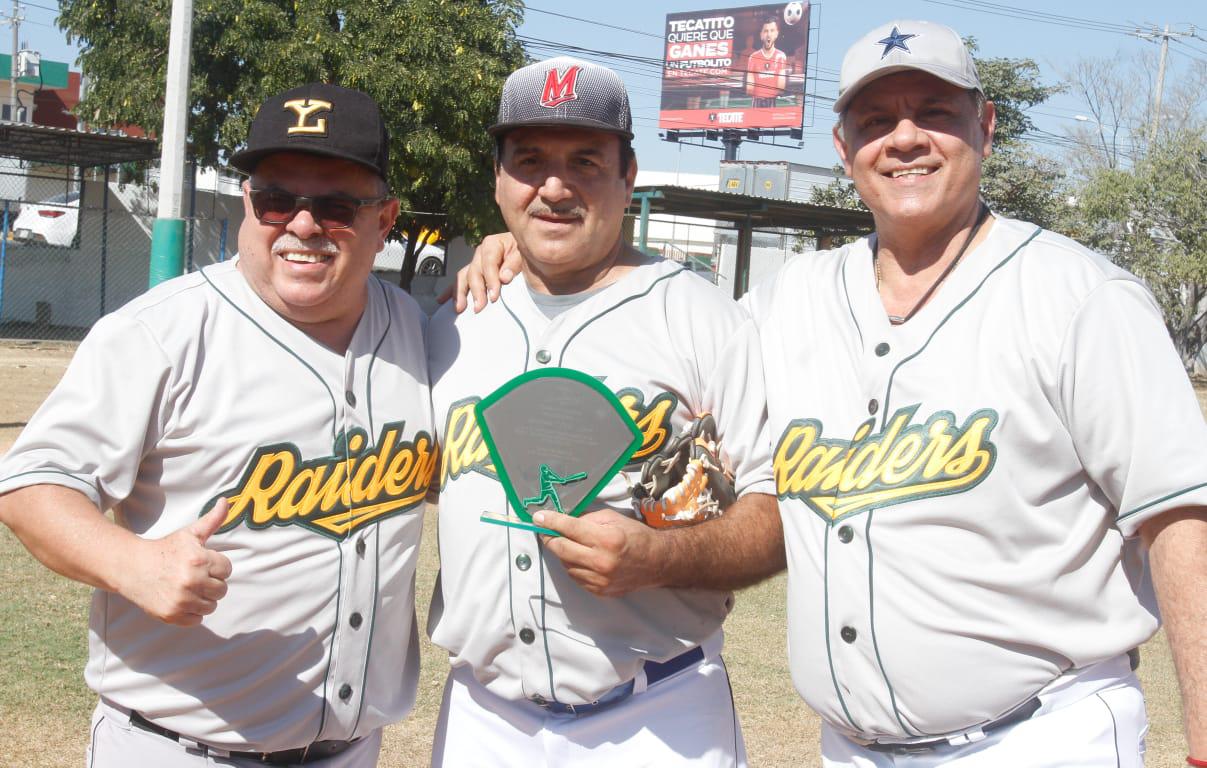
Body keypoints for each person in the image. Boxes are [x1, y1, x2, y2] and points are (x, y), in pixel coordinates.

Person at [453, 20, 1207, 768]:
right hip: (851, 749)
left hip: (1041, 734)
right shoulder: (791, 300)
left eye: (934, 113)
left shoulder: (1080, 298)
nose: (904, 139)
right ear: (844, 149)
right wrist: (526, 245)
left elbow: (1181, 517)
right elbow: (644, 313)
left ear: (985, 127)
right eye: (875, 121)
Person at [0, 83, 435, 767]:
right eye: (275, 199)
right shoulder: (163, 332)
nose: (302, 225)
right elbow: (31, 484)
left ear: (385, 220)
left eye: (335, 206)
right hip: (174, 749)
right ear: (247, 204)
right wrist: (131, 564)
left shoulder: (419, 332)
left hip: (353, 751)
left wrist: (506, 253)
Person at [425, 56, 784, 768]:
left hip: (661, 716)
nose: (554, 186)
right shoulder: (453, 321)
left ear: (628, 177)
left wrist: (662, 558)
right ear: (498, 179)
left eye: (585, 161)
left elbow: (777, 516)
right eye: (529, 161)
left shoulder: (702, 319)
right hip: (482, 717)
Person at [745, 17, 788, 107]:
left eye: (772, 30)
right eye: (765, 31)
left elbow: (781, 87)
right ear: (761, 35)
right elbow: (749, 88)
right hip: (757, 102)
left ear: (776, 34)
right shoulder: (753, 57)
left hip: (773, 101)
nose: (769, 34)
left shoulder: (781, 56)